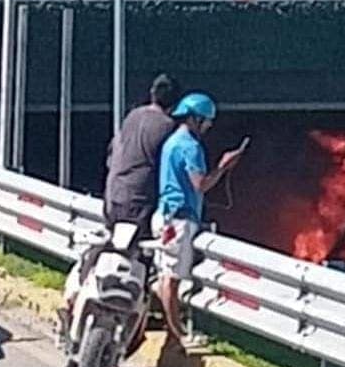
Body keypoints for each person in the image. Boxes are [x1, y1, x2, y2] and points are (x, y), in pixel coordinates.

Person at [60, 74, 181, 331]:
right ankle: (142, 311)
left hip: (113, 196)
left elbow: (113, 151)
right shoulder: (168, 128)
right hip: (140, 204)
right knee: (144, 256)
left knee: (105, 246)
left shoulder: (133, 117)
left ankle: (76, 291)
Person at [153, 92, 246, 346]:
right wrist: (223, 166)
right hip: (179, 219)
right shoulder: (190, 147)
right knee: (171, 279)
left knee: (165, 276)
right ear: (195, 119)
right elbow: (201, 184)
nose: (208, 127)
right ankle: (179, 334)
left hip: (165, 214)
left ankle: (172, 325)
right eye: (206, 121)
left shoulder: (172, 141)